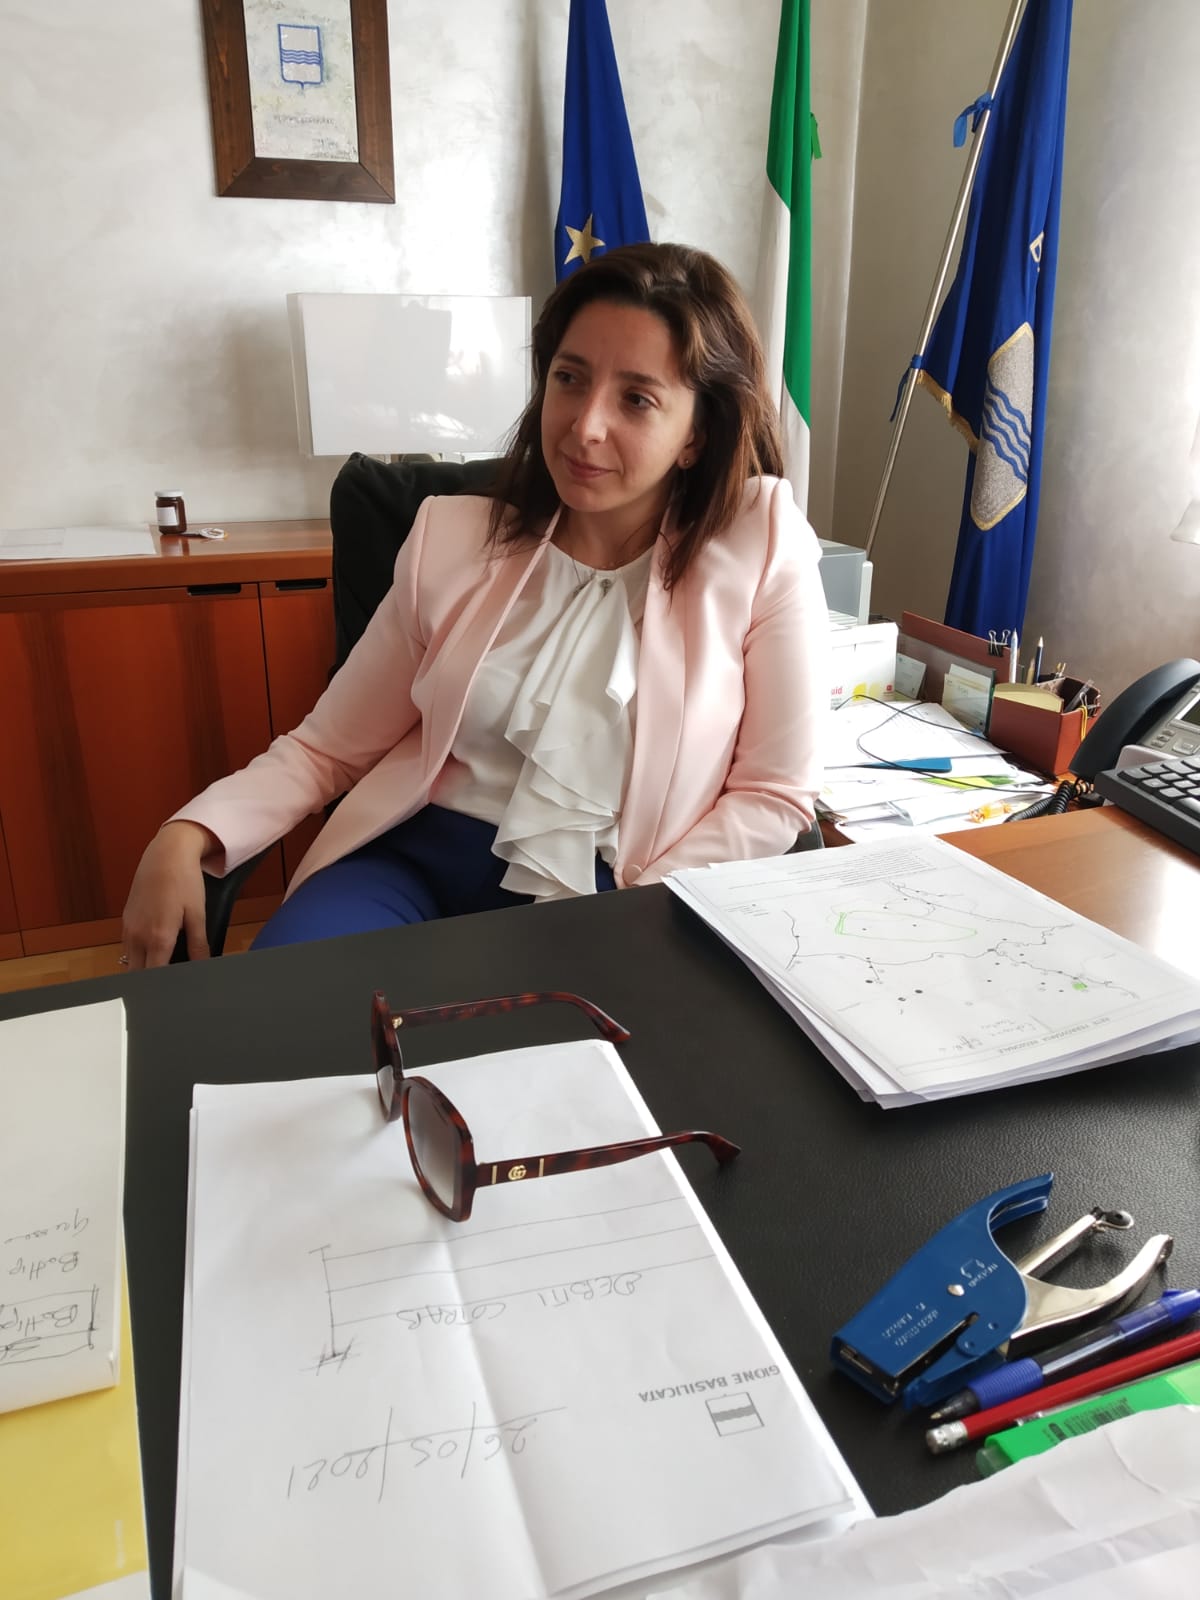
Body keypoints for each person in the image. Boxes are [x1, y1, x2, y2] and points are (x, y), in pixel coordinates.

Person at [121, 242, 829, 969]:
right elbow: (327, 748)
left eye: (637, 399)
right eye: (569, 378)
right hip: (412, 867)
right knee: (288, 1005)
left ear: (696, 435)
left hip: (612, 886)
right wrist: (192, 830)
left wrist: (642, 908)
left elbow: (773, 793)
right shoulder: (451, 536)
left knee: (540, 1038)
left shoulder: (760, 543)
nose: (585, 425)